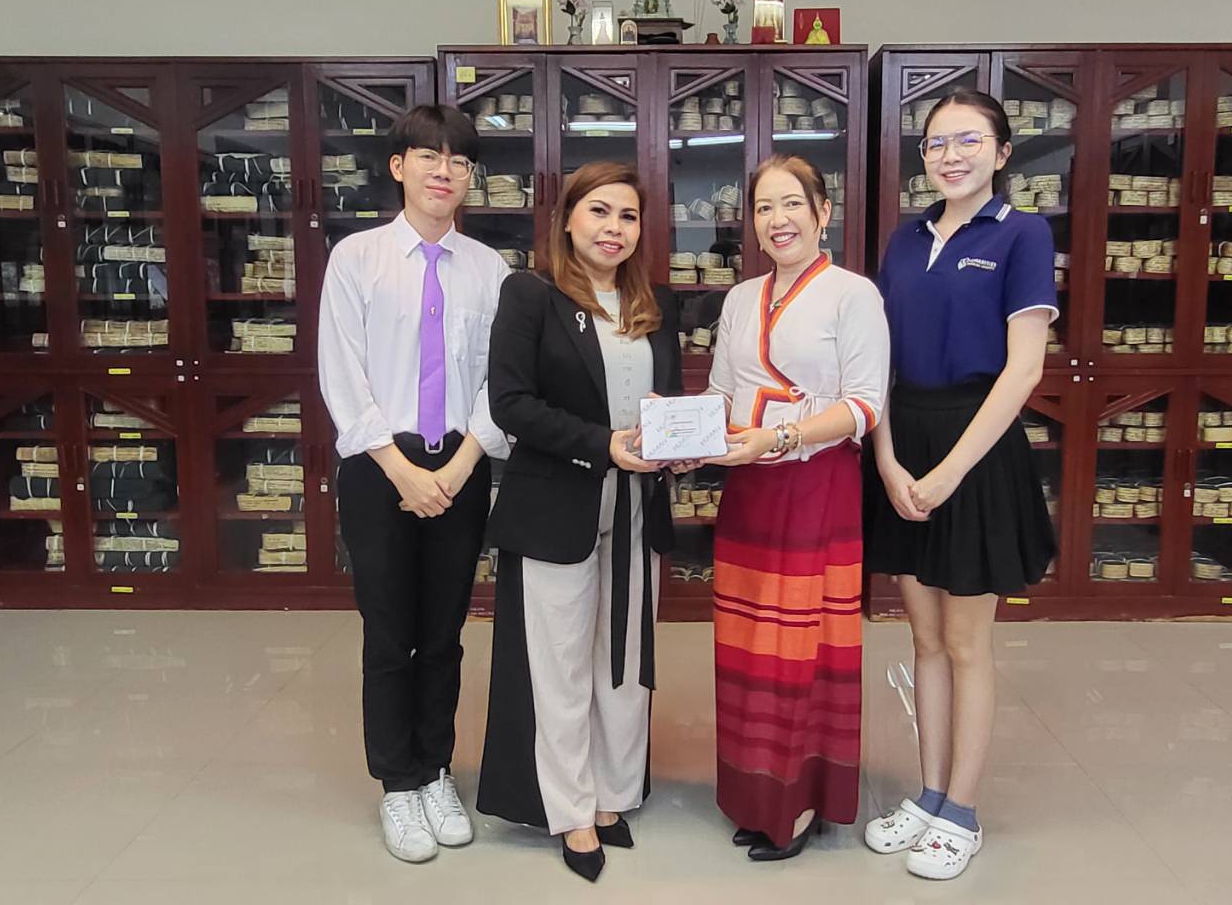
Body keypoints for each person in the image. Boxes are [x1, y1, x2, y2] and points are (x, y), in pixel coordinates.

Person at [862, 89, 1059, 881]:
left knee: (968, 642)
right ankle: (929, 794)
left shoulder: (1022, 234)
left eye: (968, 140)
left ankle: (962, 813)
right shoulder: (904, 240)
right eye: (937, 143)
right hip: (903, 438)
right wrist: (886, 459)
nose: (950, 155)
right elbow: (875, 361)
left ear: (1002, 152)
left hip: (975, 449)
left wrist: (947, 473)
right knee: (924, 640)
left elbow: (1023, 370)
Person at [477, 161, 688, 883]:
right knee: (560, 664)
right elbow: (510, 403)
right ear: (566, 219)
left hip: (637, 508)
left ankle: (611, 794)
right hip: (556, 505)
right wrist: (603, 445)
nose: (613, 229)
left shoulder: (655, 304)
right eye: (599, 211)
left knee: (622, 662)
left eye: (627, 216)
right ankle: (568, 808)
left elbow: (668, 401)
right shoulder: (530, 295)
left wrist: (679, 446)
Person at [317, 104, 511, 865]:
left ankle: (435, 770)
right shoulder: (356, 258)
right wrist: (401, 470)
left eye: (459, 161)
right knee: (387, 632)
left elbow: (501, 383)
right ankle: (397, 784)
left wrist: (457, 470)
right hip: (379, 469)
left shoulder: (490, 270)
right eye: (429, 156)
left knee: (444, 633)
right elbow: (342, 373)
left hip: (460, 465)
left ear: (469, 178)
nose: (444, 171)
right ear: (398, 166)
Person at [705, 154, 889, 862]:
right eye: (763, 207)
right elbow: (721, 393)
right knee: (748, 644)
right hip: (750, 489)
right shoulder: (738, 298)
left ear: (822, 213)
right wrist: (686, 438)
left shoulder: (852, 295)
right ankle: (755, 795)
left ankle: (801, 800)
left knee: (804, 646)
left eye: (791, 205)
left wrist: (782, 437)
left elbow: (865, 406)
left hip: (816, 484)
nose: (777, 220)